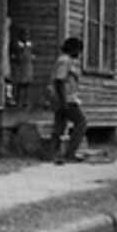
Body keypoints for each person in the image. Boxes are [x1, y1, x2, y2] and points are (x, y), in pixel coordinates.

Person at [49, 36, 87, 164]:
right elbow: (59, 80)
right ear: (73, 49)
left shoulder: (66, 60)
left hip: (62, 97)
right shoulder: (65, 61)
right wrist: (63, 101)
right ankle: (70, 153)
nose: (79, 54)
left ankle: (52, 153)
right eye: (78, 50)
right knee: (81, 122)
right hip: (66, 98)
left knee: (59, 125)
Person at [11, 27, 35, 109]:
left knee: (27, 85)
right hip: (20, 67)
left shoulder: (30, 45)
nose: (26, 36)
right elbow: (15, 54)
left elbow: (33, 53)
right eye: (24, 34)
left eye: (27, 35)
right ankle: (19, 102)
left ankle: (26, 102)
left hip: (28, 66)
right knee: (19, 85)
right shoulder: (18, 44)